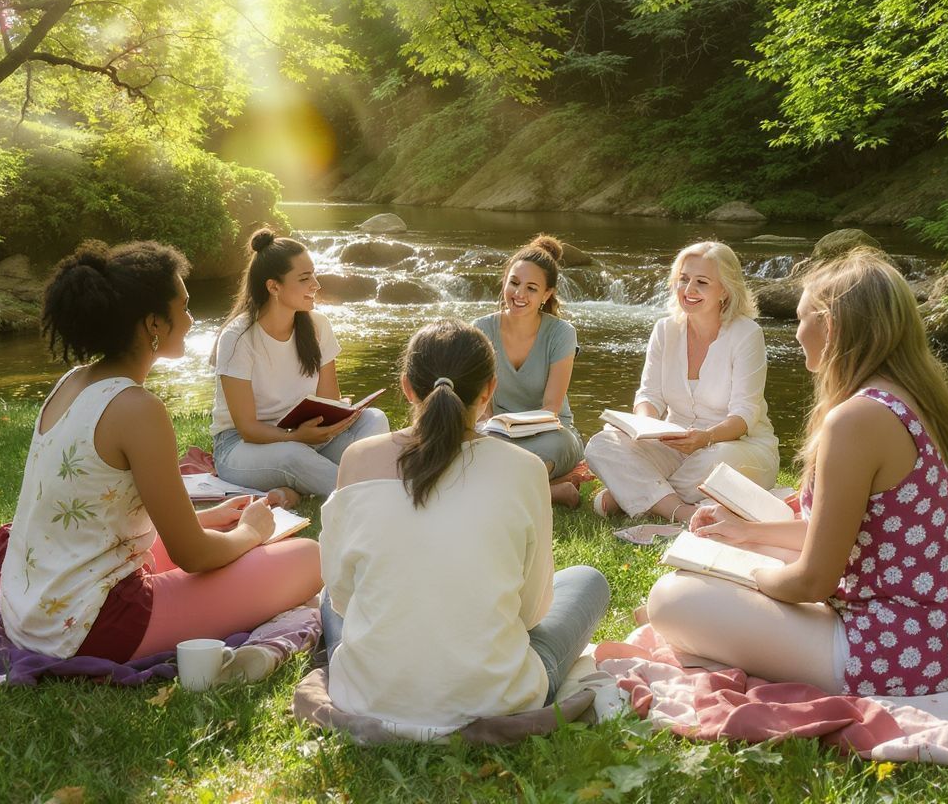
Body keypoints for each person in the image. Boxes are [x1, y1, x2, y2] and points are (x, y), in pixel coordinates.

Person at [647, 248, 948, 696]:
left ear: (833, 326)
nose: (797, 333)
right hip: (940, 637)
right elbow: (846, 534)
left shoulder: (857, 419)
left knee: (670, 600)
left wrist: (746, 578)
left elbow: (812, 580)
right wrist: (748, 534)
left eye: (803, 319)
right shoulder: (906, 395)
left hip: (893, 650)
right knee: (741, 557)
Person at [0, 240, 321, 661]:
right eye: (185, 307)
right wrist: (252, 532)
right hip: (94, 625)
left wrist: (208, 520)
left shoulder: (71, 383)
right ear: (154, 324)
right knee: (309, 558)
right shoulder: (138, 409)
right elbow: (192, 555)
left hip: (32, 611)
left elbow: (104, 509)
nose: (192, 320)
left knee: (225, 538)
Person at [318, 319, 610, 737]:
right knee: (588, 581)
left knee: (331, 596)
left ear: (406, 386)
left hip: (367, 695)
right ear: (490, 390)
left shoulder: (358, 459)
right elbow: (530, 613)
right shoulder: (525, 469)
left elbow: (344, 597)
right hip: (494, 698)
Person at [584, 240, 779, 522]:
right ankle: (682, 510)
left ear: (725, 290)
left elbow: (745, 415)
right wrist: (643, 426)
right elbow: (649, 395)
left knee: (716, 462)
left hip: (736, 446)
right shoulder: (665, 330)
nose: (688, 290)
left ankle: (631, 493)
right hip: (675, 442)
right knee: (602, 444)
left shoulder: (747, 334)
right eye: (683, 279)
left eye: (701, 282)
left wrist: (705, 438)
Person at [211, 228, 389, 503]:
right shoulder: (237, 338)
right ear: (273, 287)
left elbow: (328, 400)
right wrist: (295, 437)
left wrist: (340, 414)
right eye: (305, 278)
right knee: (294, 456)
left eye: (314, 275)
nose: (316, 284)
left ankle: (305, 487)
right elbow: (247, 428)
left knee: (374, 419)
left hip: (307, 437)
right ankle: (367, 498)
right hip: (243, 447)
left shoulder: (318, 326)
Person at [473, 235, 585, 507]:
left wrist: (514, 433)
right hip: (495, 434)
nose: (519, 294)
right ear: (504, 282)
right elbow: (481, 407)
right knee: (472, 445)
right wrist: (487, 430)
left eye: (531, 288)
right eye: (514, 283)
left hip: (549, 435)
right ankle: (553, 491)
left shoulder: (562, 333)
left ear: (547, 295)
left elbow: (551, 409)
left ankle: (499, 485)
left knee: (553, 446)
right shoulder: (481, 329)